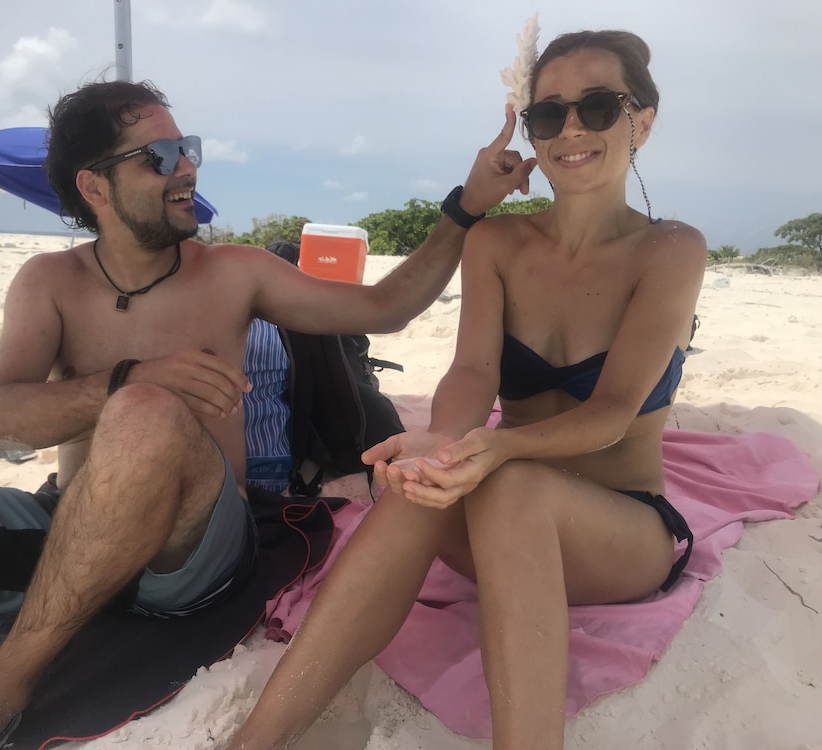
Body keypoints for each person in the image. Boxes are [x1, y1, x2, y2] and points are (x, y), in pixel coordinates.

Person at [0, 79, 535, 749]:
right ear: (94, 186)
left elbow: (386, 307)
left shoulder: (234, 272)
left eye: (186, 148)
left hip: (192, 552)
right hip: (68, 532)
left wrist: (466, 207)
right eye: (159, 157)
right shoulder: (50, 282)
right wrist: (128, 378)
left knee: (147, 412)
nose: (187, 167)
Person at [227, 29, 706, 750]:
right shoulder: (497, 242)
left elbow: (612, 413)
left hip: (621, 532)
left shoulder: (670, 249)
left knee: (507, 481)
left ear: (642, 121)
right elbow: (473, 371)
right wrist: (445, 444)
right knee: (423, 477)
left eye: (599, 107)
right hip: (494, 521)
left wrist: (492, 448)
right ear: (530, 131)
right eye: (549, 113)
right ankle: (256, 740)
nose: (572, 129)